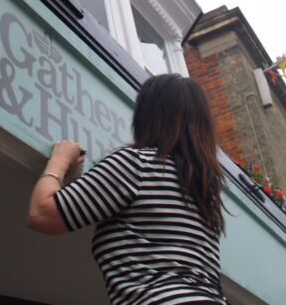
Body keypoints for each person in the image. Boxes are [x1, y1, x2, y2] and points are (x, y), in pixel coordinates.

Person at [27, 73, 227, 304]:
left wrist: (60, 159)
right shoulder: (204, 192)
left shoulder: (138, 164)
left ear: (147, 116)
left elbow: (42, 214)